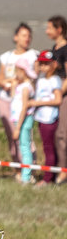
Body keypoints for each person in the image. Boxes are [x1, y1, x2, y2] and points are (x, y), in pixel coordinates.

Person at [0, 23, 37, 161]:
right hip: (6, 99)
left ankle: (30, 168)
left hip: (23, 100)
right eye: (24, 35)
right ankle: (17, 167)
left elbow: (35, 78)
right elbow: (0, 79)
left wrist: (21, 85)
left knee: (25, 135)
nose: (27, 38)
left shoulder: (33, 55)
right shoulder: (7, 56)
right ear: (16, 37)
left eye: (29, 36)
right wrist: (9, 83)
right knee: (12, 136)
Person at [30, 51, 62, 185]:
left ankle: (47, 179)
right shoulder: (41, 79)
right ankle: (51, 176)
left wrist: (37, 103)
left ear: (54, 65)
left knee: (49, 148)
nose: (42, 67)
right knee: (47, 147)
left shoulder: (55, 80)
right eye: (41, 64)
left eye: (45, 64)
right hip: (41, 118)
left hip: (49, 119)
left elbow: (57, 100)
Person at [47, 15, 67, 184]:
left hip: (63, 94)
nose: (47, 31)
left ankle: (63, 172)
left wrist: (59, 93)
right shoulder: (55, 48)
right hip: (55, 93)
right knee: (55, 133)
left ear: (59, 29)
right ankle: (56, 169)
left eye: (50, 28)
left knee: (62, 134)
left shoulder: (65, 49)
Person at [8, 65, 36, 185]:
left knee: (25, 148)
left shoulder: (26, 87)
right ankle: (26, 174)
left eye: (16, 73)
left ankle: (26, 177)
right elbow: (13, 98)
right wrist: (14, 86)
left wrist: (18, 128)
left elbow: (24, 107)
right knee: (23, 147)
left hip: (23, 120)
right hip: (18, 119)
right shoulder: (20, 86)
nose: (14, 76)